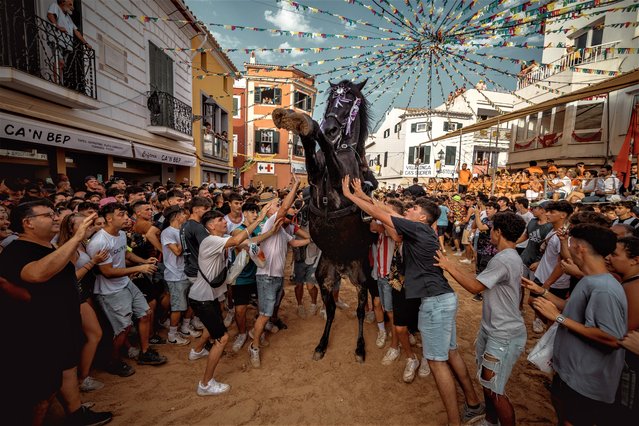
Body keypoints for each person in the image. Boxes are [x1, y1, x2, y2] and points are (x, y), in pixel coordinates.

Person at [342, 176, 484, 425]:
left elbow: (383, 215)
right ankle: (473, 404)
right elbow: (387, 210)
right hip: (444, 298)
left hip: (435, 302)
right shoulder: (422, 228)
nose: (409, 209)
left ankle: (454, 421)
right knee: (451, 354)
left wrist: (351, 197)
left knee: (437, 362)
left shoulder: (417, 228)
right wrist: (363, 196)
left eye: (414, 208)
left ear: (422, 218)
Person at [0, 200, 112, 425]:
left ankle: (75, 414)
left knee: (67, 370)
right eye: (47, 215)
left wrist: (76, 240)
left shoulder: (49, 245)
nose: (54, 218)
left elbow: (64, 272)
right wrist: (75, 238)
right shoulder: (17, 250)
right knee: (41, 393)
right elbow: (37, 274)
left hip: (61, 322)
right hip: (39, 331)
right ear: (28, 223)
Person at [523, 224, 626, 426]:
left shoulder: (603, 288)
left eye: (569, 243)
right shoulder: (591, 280)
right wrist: (541, 291)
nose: (567, 248)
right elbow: (571, 308)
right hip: (571, 373)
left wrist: (558, 318)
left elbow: (612, 338)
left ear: (580, 247)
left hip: (586, 379)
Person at [435, 212, 527, 426]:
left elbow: (475, 287)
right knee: (487, 382)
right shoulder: (509, 256)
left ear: (499, 232)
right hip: (495, 328)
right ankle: (490, 421)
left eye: (492, 229)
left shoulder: (504, 259)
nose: (489, 233)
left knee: (495, 389)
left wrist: (449, 266)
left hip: (502, 333)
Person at [188, 208, 271, 396]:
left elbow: (246, 242)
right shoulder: (211, 241)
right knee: (222, 338)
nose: (225, 222)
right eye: (220, 220)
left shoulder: (219, 241)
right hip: (203, 299)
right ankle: (205, 384)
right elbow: (237, 240)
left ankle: (197, 350)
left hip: (208, 297)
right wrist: (259, 218)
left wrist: (271, 232)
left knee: (212, 327)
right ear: (211, 226)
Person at [87, 203, 167, 376]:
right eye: (121, 215)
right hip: (109, 291)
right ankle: (113, 361)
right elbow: (107, 272)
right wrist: (138, 269)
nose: (126, 218)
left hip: (125, 283)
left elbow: (126, 254)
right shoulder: (99, 241)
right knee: (122, 329)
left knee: (145, 313)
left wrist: (143, 261)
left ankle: (145, 353)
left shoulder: (121, 234)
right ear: (109, 218)